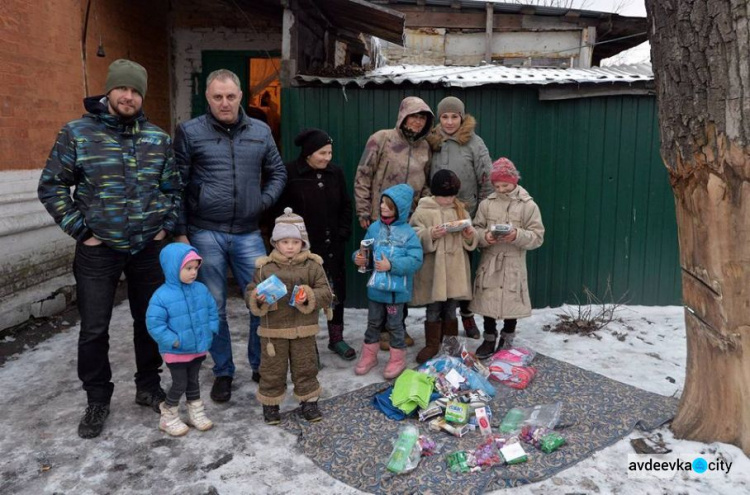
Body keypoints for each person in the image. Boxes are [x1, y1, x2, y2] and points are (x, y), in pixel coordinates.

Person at [38, 59, 181, 438]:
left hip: (147, 248)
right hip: (97, 250)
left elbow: (173, 189)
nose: (129, 96)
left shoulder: (157, 139)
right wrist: (81, 231)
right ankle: (97, 397)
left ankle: (148, 386)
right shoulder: (77, 134)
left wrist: (164, 228)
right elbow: (51, 186)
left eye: (135, 91)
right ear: (110, 90)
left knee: (149, 322)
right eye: (123, 89)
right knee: (94, 328)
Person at [173, 69, 286, 403]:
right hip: (205, 230)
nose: (225, 103)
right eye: (217, 97)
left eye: (231, 96)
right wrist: (180, 232)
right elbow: (176, 184)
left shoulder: (261, 131)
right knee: (214, 306)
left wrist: (261, 202)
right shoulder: (190, 132)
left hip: (249, 232)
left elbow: (278, 172)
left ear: (241, 96)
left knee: (262, 300)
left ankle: (259, 363)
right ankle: (223, 371)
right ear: (208, 99)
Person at [353, 96, 434, 349]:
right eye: (414, 116)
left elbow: (426, 184)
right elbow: (363, 175)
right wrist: (364, 210)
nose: (418, 122)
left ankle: (398, 327)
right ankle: (379, 331)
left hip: (407, 224)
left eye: (423, 118)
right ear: (403, 116)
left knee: (401, 273)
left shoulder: (425, 148)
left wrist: (421, 214)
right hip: (380, 218)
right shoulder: (382, 139)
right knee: (379, 271)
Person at [246, 208, 334, 425]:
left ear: (303, 243)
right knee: (272, 369)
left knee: (306, 366)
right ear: (276, 243)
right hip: (273, 330)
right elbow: (250, 290)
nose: (290, 247)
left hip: (303, 328)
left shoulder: (313, 265)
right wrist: (257, 297)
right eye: (285, 242)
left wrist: (310, 295)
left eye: (295, 242)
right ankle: (270, 404)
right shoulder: (264, 268)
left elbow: (326, 291)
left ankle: (309, 401)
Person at [276, 129, 355, 360]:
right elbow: (281, 211)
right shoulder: (291, 173)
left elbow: (345, 206)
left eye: (330, 152)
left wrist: (343, 233)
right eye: (322, 153)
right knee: (302, 295)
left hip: (333, 248)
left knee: (335, 294)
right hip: (303, 250)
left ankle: (336, 338)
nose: (327, 157)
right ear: (309, 153)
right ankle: (307, 346)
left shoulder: (335, 173)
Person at [426, 96, 493, 339]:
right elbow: (425, 177)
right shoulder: (432, 141)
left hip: (467, 216)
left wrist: (482, 215)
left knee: (463, 272)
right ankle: (440, 322)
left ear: (462, 117)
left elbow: (487, 180)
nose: (450, 121)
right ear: (439, 118)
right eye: (445, 116)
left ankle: (466, 315)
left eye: (455, 116)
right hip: (438, 217)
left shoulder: (474, 143)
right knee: (440, 270)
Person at [471, 158, 545, 359]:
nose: (501, 189)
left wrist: (517, 235)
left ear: (515, 181)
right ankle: (488, 337)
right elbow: (475, 230)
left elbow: (537, 236)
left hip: (514, 261)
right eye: (497, 185)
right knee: (488, 299)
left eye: (505, 185)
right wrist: (484, 237)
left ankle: (507, 337)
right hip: (490, 260)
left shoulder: (528, 206)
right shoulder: (486, 204)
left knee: (511, 300)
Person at [146, 243, 219, 436]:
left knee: (193, 380)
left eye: (196, 268)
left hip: (198, 348)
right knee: (180, 383)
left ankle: (195, 412)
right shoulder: (161, 296)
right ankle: (168, 416)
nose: (193, 272)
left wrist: (211, 329)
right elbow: (155, 324)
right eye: (188, 268)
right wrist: (174, 341)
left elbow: (212, 310)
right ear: (173, 268)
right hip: (176, 351)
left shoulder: (201, 289)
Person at [353, 184, 423, 379]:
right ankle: (369, 356)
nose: (383, 207)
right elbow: (363, 249)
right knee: (373, 323)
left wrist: (391, 265)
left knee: (395, 325)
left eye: (388, 206)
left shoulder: (408, 233)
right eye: (382, 203)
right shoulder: (375, 228)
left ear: (399, 210)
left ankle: (397, 358)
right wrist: (357, 257)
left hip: (396, 293)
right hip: (376, 290)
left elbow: (416, 260)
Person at [410, 170, 479, 363]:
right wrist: (431, 234)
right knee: (433, 308)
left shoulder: (460, 210)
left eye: (452, 196)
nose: (449, 200)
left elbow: (471, 238)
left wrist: (468, 234)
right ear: (434, 193)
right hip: (434, 270)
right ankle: (432, 344)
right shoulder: (423, 210)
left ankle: (451, 343)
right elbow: (414, 234)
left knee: (451, 307)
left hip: (454, 269)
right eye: (444, 196)